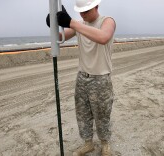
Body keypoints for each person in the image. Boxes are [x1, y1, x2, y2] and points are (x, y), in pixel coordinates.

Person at [46, 0, 116, 155]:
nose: (83, 14)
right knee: (82, 113)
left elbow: (103, 37)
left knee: (102, 114)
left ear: (96, 6)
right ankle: (88, 143)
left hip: (101, 78)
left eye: (86, 11)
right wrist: (53, 23)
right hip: (82, 77)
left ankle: (105, 144)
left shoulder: (107, 21)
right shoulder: (80, 24)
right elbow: (60, 37)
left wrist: (71, 22)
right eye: (81, 11)